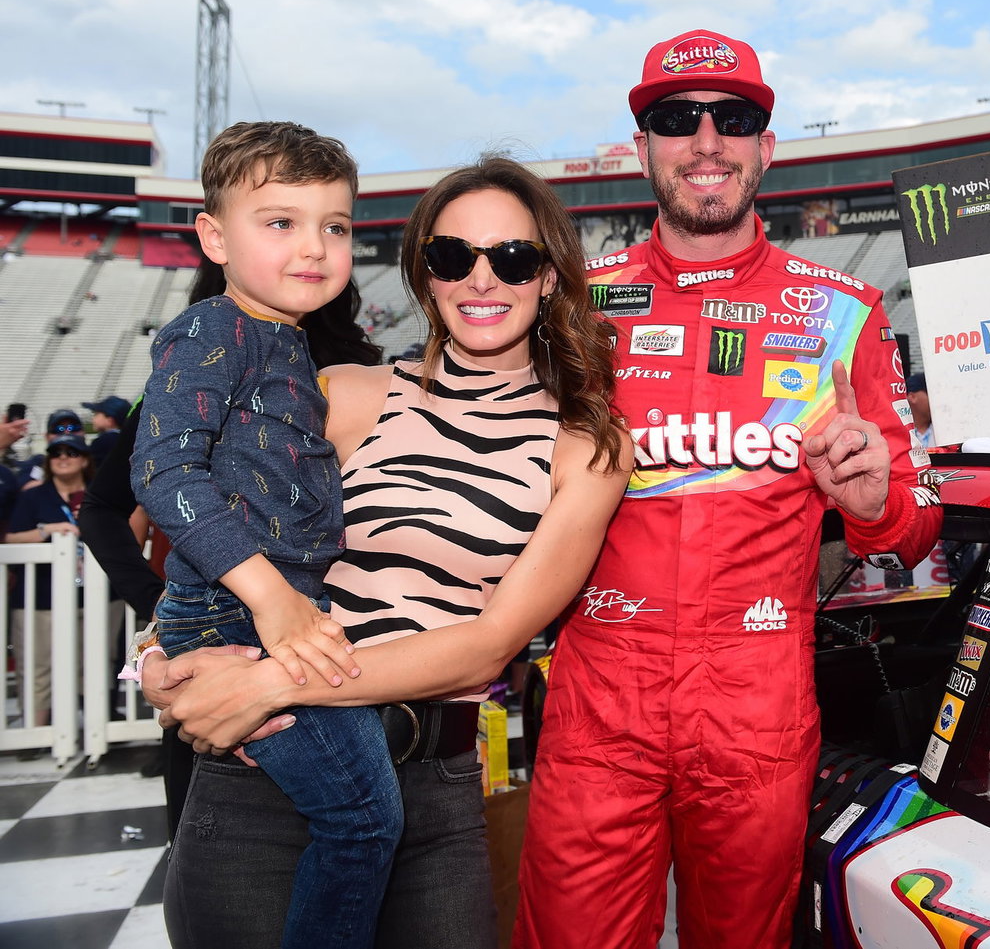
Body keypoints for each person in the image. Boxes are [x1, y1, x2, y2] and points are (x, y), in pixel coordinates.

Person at [515, 29, 943, 949]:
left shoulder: (844, 313)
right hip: (599, 699)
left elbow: (912, 529)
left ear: (765, 147)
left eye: (733, 118)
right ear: (644, 150)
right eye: (676, 119)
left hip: (759, 706)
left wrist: (872, 504)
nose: (706, 139)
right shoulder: (576, 312)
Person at [146, 155, 629, 949]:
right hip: (268, 771)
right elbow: (203, 518)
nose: (481, 280)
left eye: (512, 258)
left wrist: (272, 679)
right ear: (423, 273)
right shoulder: (343, 391)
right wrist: (161, 648)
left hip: (431, 788)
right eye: (451, 256)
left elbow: (490, 641)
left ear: (549, 277)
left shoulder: (587, 444)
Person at [132, 119, 398, 949]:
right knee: (363, 819)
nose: (315, 246)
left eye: (337, 225)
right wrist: (274, 600)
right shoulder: (213, 330)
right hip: (241, 612)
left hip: (258, 607)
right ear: (213, 235)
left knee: (353, 815)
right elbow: (165, 477)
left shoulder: (283, 342)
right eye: (280, 222)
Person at [4, 432, 92, 727]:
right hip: (39, 596)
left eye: (71, 452)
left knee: (89, 665)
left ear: (84, 460)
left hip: (90, 597)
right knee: (36, 665)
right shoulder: (32, 496)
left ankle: (89, 730)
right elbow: (12, 538)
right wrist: (47, 531)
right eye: (56, 453)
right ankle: (37, 730)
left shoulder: (96, 495)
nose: (63, 458)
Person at [14, 408, 84, 486]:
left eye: (73, 428)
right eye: (58, 429)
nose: (66, 433)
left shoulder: (95, 462)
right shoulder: (37, 464)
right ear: (46, 436)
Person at [82, 394, 131, 467]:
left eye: (96, 414)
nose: (93, 418)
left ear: (109, 420)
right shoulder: (129, 439)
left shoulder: (103, 441)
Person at [906, 371, 936, 448]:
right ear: (912, 397)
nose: (936, 400)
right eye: (930, 393)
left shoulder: (948, 433)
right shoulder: (897, 434)